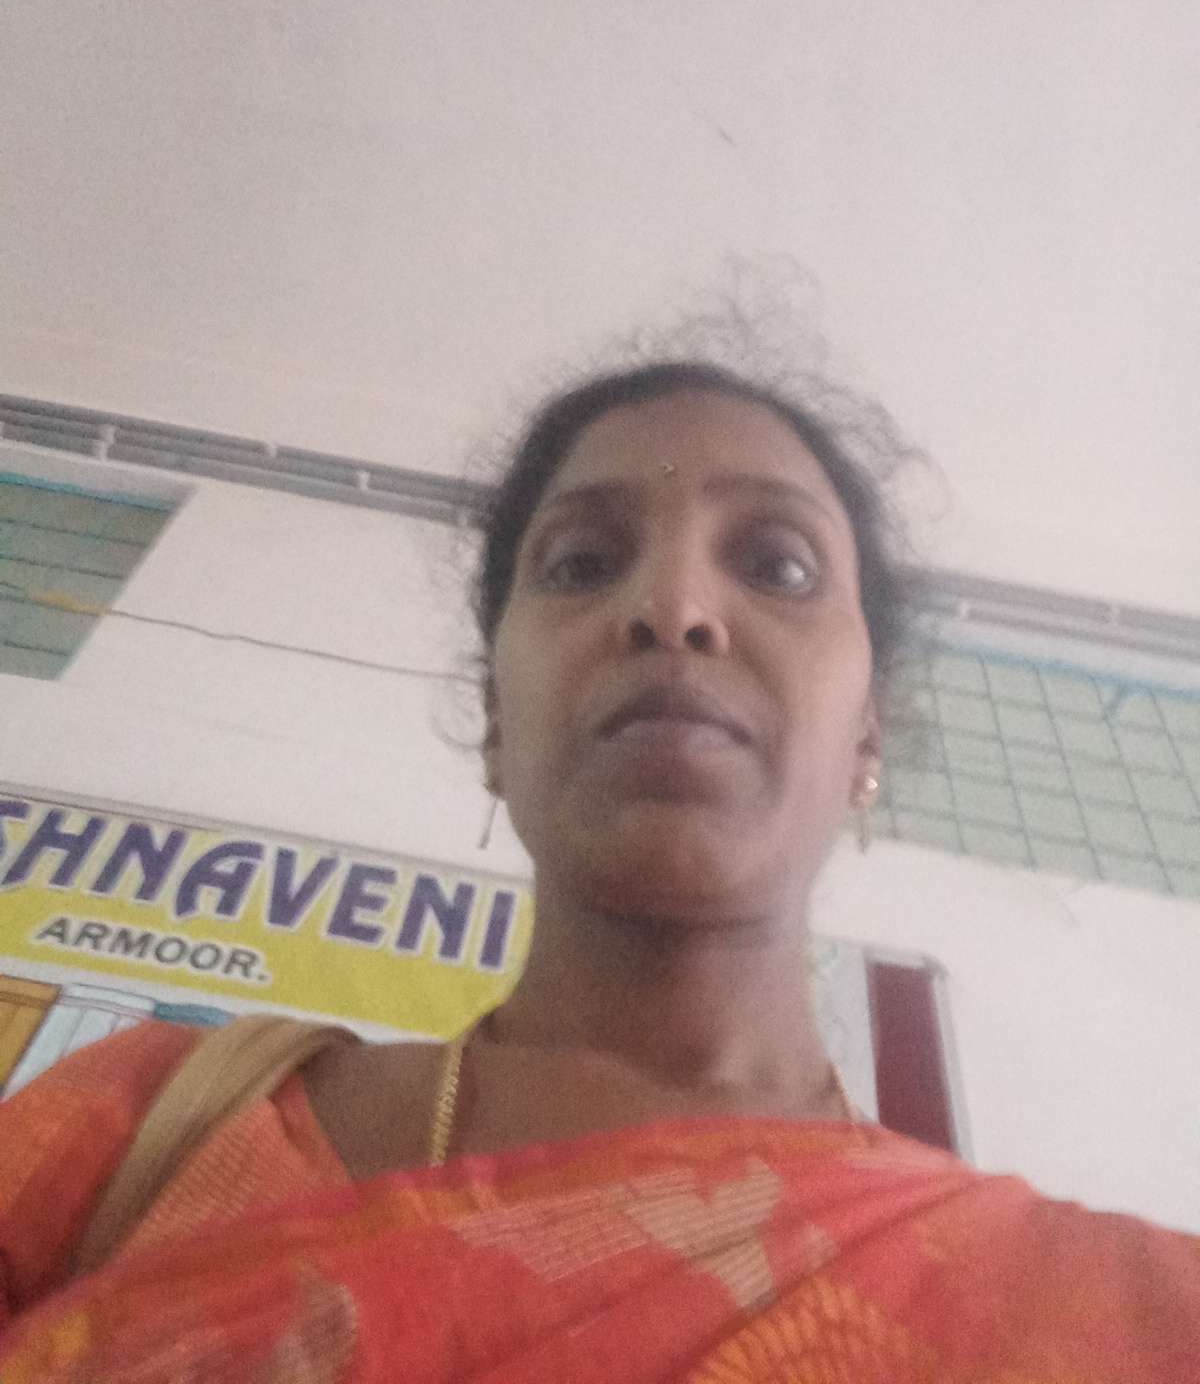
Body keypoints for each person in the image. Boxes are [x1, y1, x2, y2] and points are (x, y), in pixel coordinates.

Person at [1, 357, 1197, 1381]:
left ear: (867, 735)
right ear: (495, 720)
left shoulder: (1104, 1310)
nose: (673, 606)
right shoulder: (145, 1128)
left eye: (778, 566)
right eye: (581, 562)